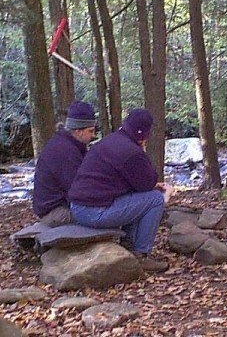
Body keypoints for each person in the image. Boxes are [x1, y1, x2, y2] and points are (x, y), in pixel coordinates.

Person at [68, 108, 169, 273]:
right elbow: (147, 181)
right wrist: (142, 150)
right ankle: (141, 254)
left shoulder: (110, 141)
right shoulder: (132, 152)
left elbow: (134, 182)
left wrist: (151, 184)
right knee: (155, 199)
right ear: (144, 134)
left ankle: (128, 245)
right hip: (94, 212)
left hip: (78, 207)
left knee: (140, 197)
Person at [33, 101, 96, 227]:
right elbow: (79, 190)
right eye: (91, 131)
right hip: (56, 213)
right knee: (110, 213)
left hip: (59, 207)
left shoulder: (69, 145)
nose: (93, 135)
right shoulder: (65, 151)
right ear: (78, 131)